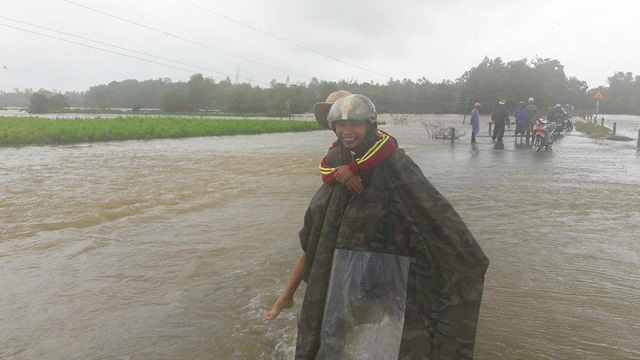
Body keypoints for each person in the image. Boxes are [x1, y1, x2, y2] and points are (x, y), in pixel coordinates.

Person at [266, 94, 489, 359]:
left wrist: (354, 168)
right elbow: (326, 173)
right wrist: (343, 172)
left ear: (366, 121)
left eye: (354, 123)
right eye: (339, 122)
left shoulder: (387, 153)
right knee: (316, 255)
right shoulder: (335, 153)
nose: (345, 129)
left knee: (393, 305)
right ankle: (290, 299)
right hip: (342, 243)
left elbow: (413, 186)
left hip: (383, 242)